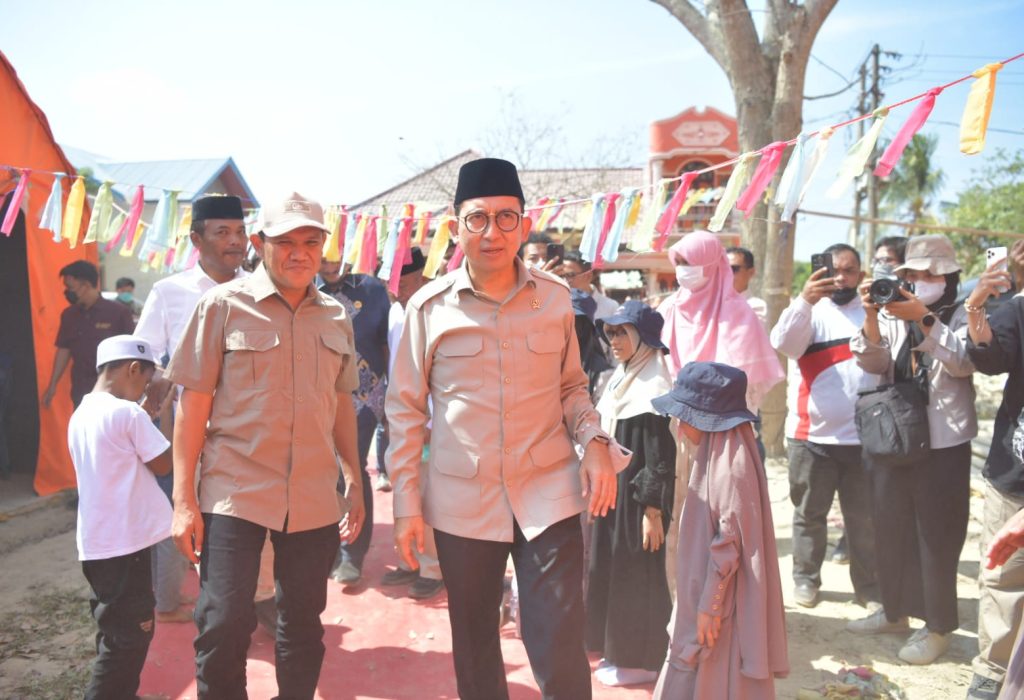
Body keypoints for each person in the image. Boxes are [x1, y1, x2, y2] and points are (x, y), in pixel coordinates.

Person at [386, 157, 627, 700]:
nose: (492, 232)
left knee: (561, 638)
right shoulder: (427, 308)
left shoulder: (555, 299)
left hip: (547, 491)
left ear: (524, 223)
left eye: (505, 217)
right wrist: (406, 506)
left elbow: (572, 388)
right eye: (477, 218)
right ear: (456, 226)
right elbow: (404, 411)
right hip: (461, 499)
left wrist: (593, 442)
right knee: (474, 642)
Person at [165, 192, 365, 699]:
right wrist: (183, 501)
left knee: (302, 625)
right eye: (285, 242)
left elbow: (341, 405)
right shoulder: (221, 306)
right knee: (223, 622)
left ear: (323, 247)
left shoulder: (336, 318)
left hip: (314, 495)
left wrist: (355, 480)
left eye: (310, 241)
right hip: (235, 491)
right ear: (259, 244)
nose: (299, 252)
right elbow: (192, 407)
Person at [847, 234, 977, 665]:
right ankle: (894, 610)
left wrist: (925, 319)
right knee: (889, 526)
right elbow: (873, 363)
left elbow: (963, 362)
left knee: (936, 538)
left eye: (928, 275)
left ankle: (938, 627)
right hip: (895, 435)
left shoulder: (962, 312)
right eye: (912, 274)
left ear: (948, 277)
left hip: (943, 442)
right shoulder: (892, 310)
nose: (919, 281)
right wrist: (870, 314)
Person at [135, 194, 250, 626]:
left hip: (248, 432)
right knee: (183, 514)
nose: (235, 242)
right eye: (222, 232)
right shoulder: (170, 292)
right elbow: (146, 356)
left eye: (239, 232)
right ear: (195, 239)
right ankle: (176, 601)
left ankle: (237, 605)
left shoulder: (260, 289)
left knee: (241, 523)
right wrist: (167, 377)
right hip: (187, 428)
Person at [651, 362, 788, 699]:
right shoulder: (720, 453)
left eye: (686, 415)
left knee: (715, 675)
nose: (680, 425)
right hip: (709, 602)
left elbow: (728, 546)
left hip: (722, 611)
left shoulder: (731, 466)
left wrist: (710, 607)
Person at [770, 242, 880, 609]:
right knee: (809, 515)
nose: (841, 277)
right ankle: (806, 580)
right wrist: (803, 301)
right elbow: (784, 344)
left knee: (863, 520)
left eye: (849, 271)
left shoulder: (873, 311)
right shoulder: (809, 311)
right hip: (811, 436)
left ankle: (868, 589)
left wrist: (873, 313)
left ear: (861, 275)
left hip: (865, 438)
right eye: (834, 270)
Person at [67, 335, 171, 700]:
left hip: (97, 545)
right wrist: (156, 417)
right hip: (125, 545)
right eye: (145, 381)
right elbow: (163, 464)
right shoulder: (127, 413)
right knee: (130, 639)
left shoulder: (81, 413)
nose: (145, 389)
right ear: (132, 369)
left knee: (113, 633)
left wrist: (146, 416)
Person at [586, 300, 675, 687]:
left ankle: (642, 659)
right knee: (615, 567)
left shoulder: (654, 386)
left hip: (639, 501)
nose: (614, 340)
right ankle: (618, 650)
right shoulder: (625, 377)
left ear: (644, 338)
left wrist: (651, 509)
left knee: (637, 574)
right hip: (617, 494)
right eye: (610, 332)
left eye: (623, 332)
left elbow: (659, 457)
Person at [965, 238, 1024, 699]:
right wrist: (976, 309)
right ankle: (991, 677)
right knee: (1004, 582)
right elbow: (989, 359)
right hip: (1015, 478)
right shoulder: (1015, 310)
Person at [318, 252, 391, 585]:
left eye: (336, 257)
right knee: (320, 474)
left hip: (364, 399)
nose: (329, 265)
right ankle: (326, 550)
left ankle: (352, 553)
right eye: (322, 258)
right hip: (316, 398)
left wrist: (392, 398)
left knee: (352, 469)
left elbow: (387, 343)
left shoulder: (372, 289)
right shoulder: (303, 288)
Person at [377, 247, 445, 600]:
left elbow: (439, 373)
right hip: (400, 418)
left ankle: (433, 568)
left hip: (431, 421)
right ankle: (408, 561)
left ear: (420, 277)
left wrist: (432, 419)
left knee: (429, 495)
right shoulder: (393, 313)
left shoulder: (437, 311)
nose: (394, 290)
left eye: (400, 282)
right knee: (404, 490)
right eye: (390, 283)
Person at [658, 231, 784, 413]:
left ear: (710, 264)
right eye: (678, 263)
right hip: (676, 410)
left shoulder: (739, 313)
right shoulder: (670, 307)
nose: (681, 269)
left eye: (687, 262)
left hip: (723, 415)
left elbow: (743, 377)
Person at [42, 260, 134, 408]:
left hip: (112, 392)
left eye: (70, 287)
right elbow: (64, 350)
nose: (67, 292)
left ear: (86, 285)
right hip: (81, 390)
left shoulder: (118, 313)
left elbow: (132, 353)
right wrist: (53, 385)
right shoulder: (69, 315)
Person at [561, 250, 620, 320]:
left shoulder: (610, 307)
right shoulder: (557, 304)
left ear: (588, 276)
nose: (564, 280)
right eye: (561, 276)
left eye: (570, 275)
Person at [725, 246, 767, 329]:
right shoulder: (711, 302)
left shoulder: (756, 306)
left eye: (734, 269)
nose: (728, 274)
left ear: (751, 272)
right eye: (724, 269)